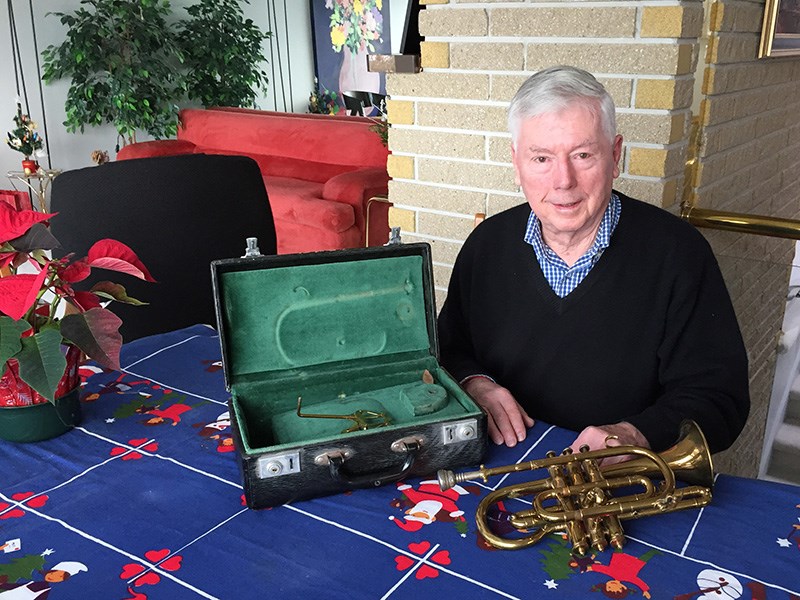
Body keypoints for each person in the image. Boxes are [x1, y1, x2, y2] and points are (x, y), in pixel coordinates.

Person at [437, 65, 749, 457]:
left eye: (583, 154)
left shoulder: (679, 253)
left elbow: (721, 398)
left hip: (620, 474)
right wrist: (474, 382)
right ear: (516, 163)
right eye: (541, 159)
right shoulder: (486, 244)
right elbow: (447, 348)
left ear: (615, 155)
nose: (563, 180)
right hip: (504, 458)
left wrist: (636, 433)